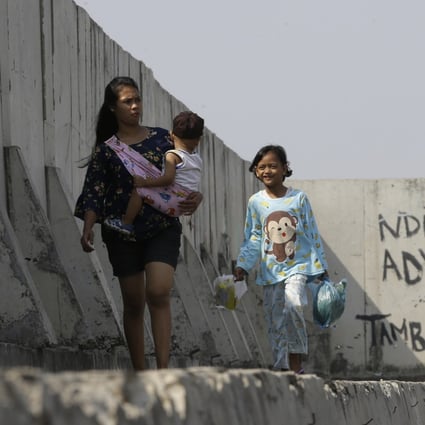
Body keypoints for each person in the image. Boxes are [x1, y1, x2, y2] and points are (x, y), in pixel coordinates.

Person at [74, 76, 203, 371]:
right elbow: (94, 191)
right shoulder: (106, 150)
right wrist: (88, 227)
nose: (135, 106)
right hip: (122, 232)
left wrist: (198, 198)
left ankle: (162, 371)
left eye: (137, 100)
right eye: (127, 101)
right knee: (134, 303)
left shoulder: (164, 138)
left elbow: (190, 173)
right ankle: (140, 373)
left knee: (158, 291)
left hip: (162, 227)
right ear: (112, 107)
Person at [233, 145, 328, 374]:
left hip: (297, 267)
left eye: (273, 166)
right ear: (256, 171)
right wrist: (243, 265)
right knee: (275, 320)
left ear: (285, 169)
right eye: (262, 167)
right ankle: (281, 367)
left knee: (294, 305)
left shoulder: (299, 199)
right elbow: (254, 236)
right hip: (270, 272)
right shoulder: (256, 202)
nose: (267, 171)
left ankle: (296, 364)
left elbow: (312, 232)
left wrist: (320, 267)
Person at [103, 111, 204, 236]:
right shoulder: (197, 159)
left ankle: (126, 223)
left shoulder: (172, 155)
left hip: (174, 198)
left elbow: (168, 179)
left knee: (139, 191)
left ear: (172, 135)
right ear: (198, 140)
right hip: (185, 200)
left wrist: (144, 182)